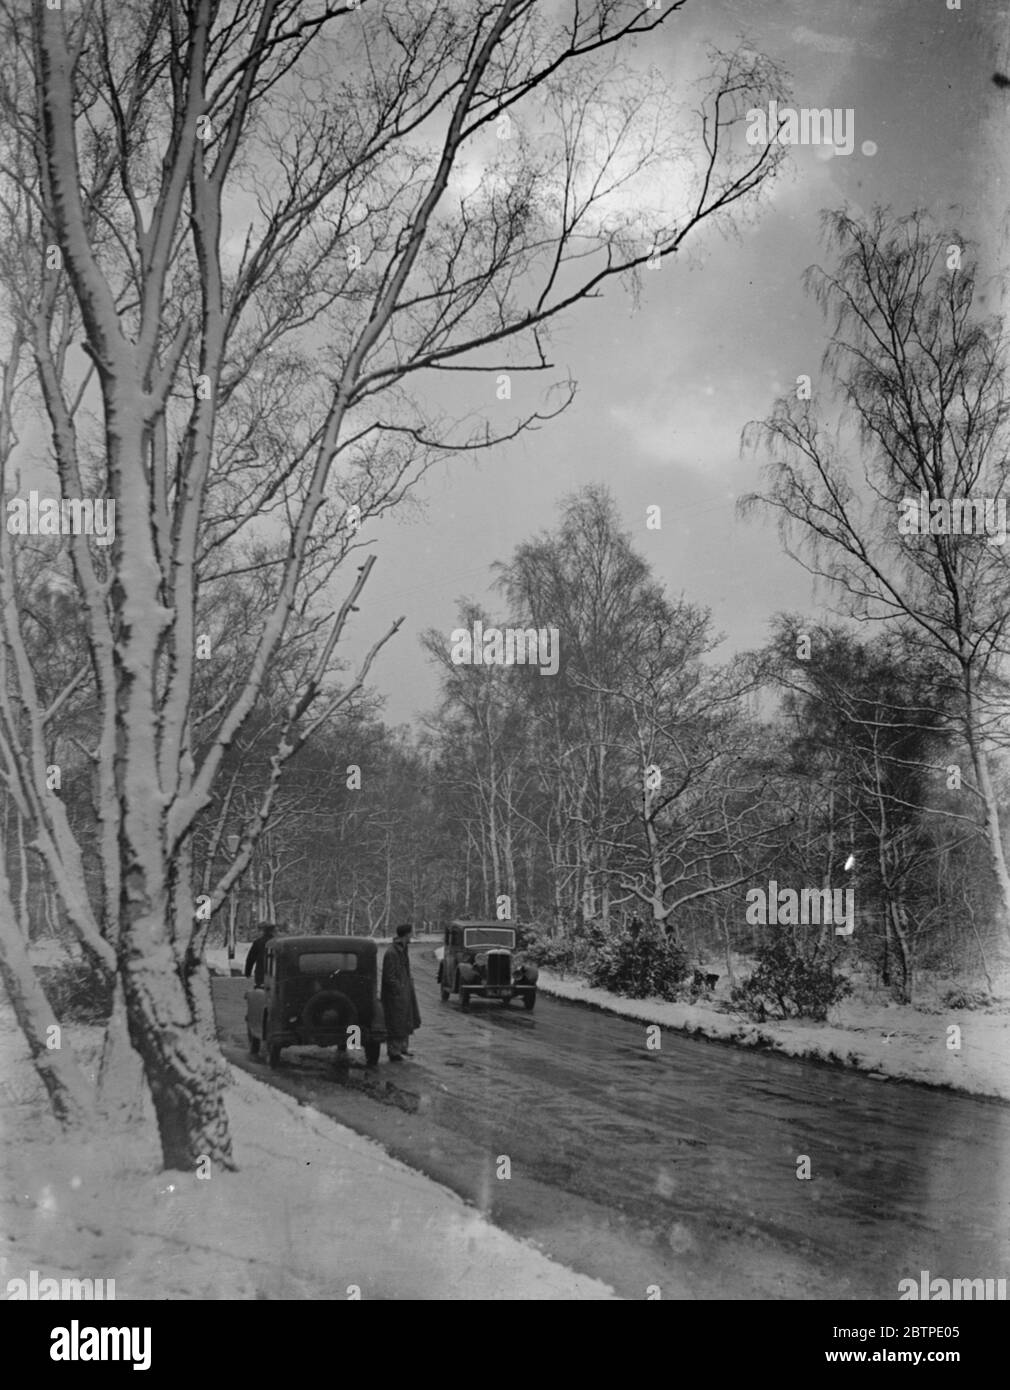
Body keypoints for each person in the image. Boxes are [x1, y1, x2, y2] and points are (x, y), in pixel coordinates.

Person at [381, 923, 421, 1061]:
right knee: (395, 1022)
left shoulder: (402, 949)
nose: (412, 936)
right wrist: (398, 989)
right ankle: (394, 1051)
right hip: (396, 995)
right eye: (411, 933)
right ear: (406, 934)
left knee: (405, 1020)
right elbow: (389, 976)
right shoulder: (392, 952)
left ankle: (402, 1048)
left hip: (404, 992)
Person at [244, 922, 277, 988]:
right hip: (276, 974)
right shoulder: (279, 942)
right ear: (273, 931)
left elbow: (250, 959)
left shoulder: (258, 942)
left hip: (261, 974)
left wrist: (248, 972)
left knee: (261, 991)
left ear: (264, 931)